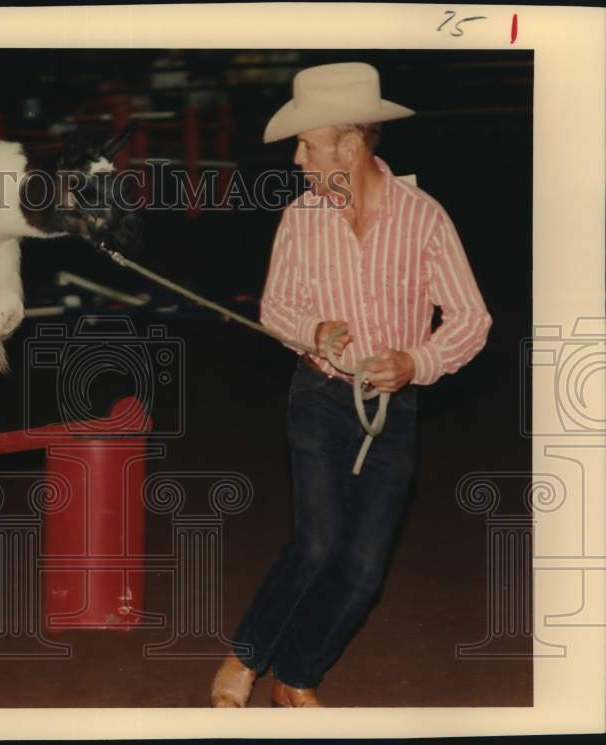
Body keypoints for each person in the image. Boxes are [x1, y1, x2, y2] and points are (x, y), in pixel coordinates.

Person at [210, 62, 492, 707]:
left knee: (364, 572)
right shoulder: (301, 219)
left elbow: (472, 318)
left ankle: (298, 677)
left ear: (349, 143)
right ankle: (246, 659)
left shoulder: (424, 218)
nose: (300, 159)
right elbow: (275, 309)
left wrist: (418, 362)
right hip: (318, 397)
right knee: (315, 544)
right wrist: (313, 330)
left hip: (394, 408)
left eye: (308, 144)